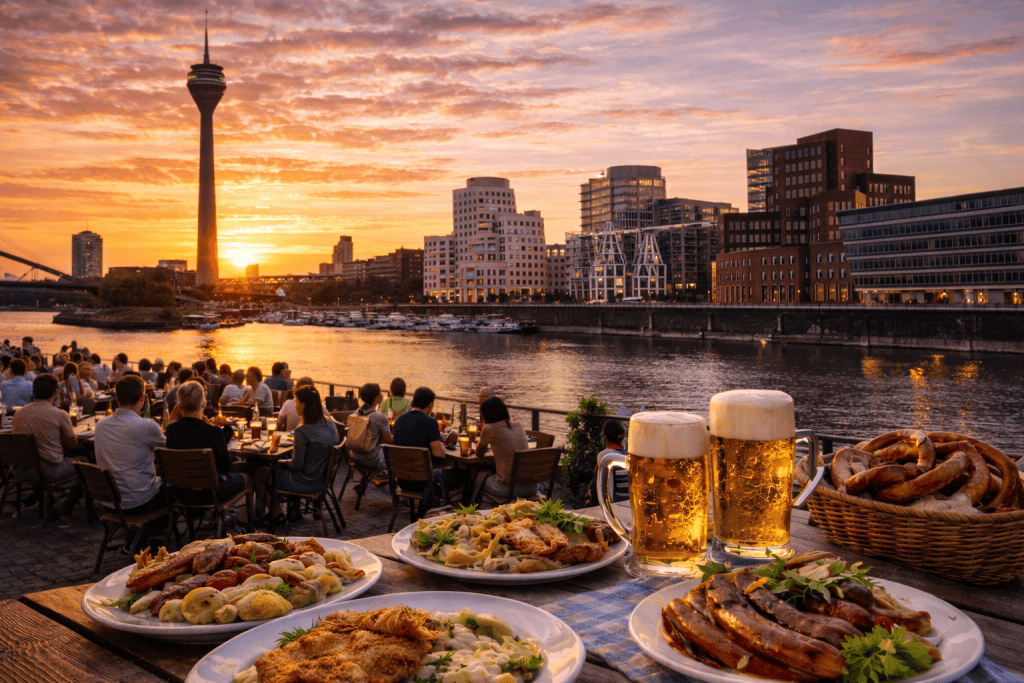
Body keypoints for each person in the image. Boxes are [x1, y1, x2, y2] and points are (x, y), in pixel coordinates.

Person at [94, 375, 167, 545]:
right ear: (142, 398)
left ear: (116, 397)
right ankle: (146, 539)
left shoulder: (101, 425)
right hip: (139, 503)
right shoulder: (147, 426)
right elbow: (172, 449)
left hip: (110, 501)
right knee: (174, 488)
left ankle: (138, 537)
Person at [165, 380, 250, 525]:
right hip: (211, 495)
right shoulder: (213, 432)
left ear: (179, 404)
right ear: (203, 403)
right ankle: (243, 522)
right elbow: (225, 467)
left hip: (182, 494)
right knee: (247, 477)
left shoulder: (171, 430)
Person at [254, 386, 338, 523]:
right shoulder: (330, 423)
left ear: (304, 405)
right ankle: (294, 511)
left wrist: (277, 462)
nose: (295, 405)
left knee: (260, 473)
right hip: (323, 481)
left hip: (305, 483)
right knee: (277, 469)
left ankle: (277, 514)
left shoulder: (302, 430)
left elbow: (296, 465)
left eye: (297, 402)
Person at [11, 373, 83, 517]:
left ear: (33, 391)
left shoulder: (18, 414)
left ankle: (44, 499)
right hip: (47, 473)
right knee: (86, 464)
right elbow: (73, 444)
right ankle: (65, 509)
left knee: (41, 457)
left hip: (20, 470)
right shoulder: (59, 414)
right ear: (55, 393)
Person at [392, 386, 465, 517]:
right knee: (463, 475)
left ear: (413, 402)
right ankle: (452, 513)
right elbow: (440, 455)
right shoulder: (430, 422)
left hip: (403, 481)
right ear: (431, 405)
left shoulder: (399, 420)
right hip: (424, 483)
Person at [475, 396, 534, 500]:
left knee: (478, 478)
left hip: (508, 489)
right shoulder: (518, 425)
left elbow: (479, 453)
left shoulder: (489, 428)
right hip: (532, 488)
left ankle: (472, 508)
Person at [348, 382, 393, 469]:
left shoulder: (356, 412)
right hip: (372, 461)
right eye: (380, 392)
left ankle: (378, 477)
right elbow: (389, 442)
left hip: (353, 457)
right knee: (393, 458)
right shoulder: (381, 417)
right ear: (376, 397)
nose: (382, 395)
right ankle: (388, 479)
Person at [597, 419, 629, 503]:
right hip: (632, 501)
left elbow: (605, 486)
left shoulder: (604, 456)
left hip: (616, 504)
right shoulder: (631, 453)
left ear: (605, 437)